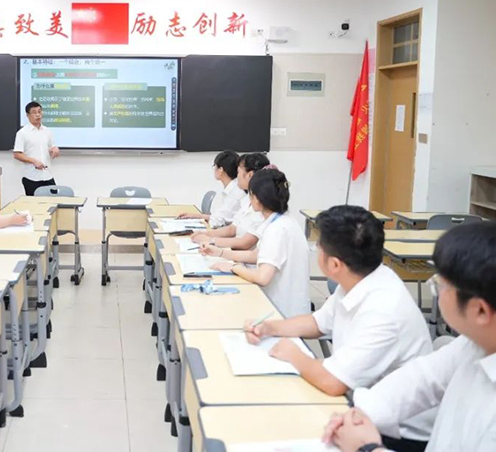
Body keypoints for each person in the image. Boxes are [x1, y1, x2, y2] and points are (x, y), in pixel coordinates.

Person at [244, 205, 434, 451]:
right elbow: (318, 322)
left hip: (395, 435)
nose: (316, 249)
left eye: (319, 246)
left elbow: (333, 382)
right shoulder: (360, 277)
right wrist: (270, 327)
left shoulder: (384, 310)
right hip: (361, 405)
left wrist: (294, 355)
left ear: (334, 264)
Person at [323, 222, 496, 452]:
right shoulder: (475, 343)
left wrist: (367, 448)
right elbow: (423, 378)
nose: (437, 290)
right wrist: (358, 414)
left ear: (480, 311)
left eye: (441, 285)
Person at [203, 168, 310, 318]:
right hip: (285, 306)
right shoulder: (283, 219)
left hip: (280, 313)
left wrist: (234, 267)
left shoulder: (277, 230)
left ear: (257, 199)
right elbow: (256, 255)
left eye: (251, 195)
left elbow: (262, 277)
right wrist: (220, 252)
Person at [192, 152, 270, 250]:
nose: (236, 177)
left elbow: (244, 243)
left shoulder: (260, 207)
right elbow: (232, 229)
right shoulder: (247, 200)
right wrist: (205, 234)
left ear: (249, 175)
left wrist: (211, 240)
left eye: (238, 172)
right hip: (235, 251)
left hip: (241, 255)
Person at [177, 150, 245, 228]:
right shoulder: (233, 187)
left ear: (220, 170)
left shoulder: (235, 192)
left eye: (214, 166)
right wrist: (194, 216)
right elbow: (220, 217)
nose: (214, 169)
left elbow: (219, 222)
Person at [13, 101, 60, 196]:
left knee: (53, 201)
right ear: (28, 115)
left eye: (39, 111)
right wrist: (33, 161)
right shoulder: (22, 133)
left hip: (47, 175)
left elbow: (52, 147)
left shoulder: (47, 131)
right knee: (34, 204)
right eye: (34, 112)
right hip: (31, 177)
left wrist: (55, 150)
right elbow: (17, 154)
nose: (38, 115)